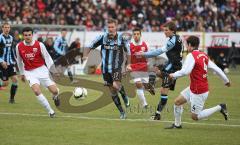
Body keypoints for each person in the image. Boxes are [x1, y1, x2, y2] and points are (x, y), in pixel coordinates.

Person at [166, 36, 230, 129]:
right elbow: (216, 68)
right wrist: (226, 81)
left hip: (199, 90)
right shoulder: (203, 55)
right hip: (195, 87)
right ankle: (177, 125)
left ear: (190, 45)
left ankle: (220, 107)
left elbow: (185, 71)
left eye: (186, 45)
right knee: (177, 102)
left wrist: (173, 75)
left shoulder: (191, 55)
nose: (186, 47)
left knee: (195, 116)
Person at [83, 18, 130, 119]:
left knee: (116, 85)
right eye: (109, 27)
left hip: (116, 67)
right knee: (112, 91)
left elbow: (128, 52)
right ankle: (122, 112)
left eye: (112, 27)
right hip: (105, 69)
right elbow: (90, 45)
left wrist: (128, 64)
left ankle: (124, 95)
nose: (110, 29)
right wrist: (86, 55)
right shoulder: (102, 37)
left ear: (116, 27)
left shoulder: (122, 38)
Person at [136, 21, 183, 120]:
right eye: (164, 30)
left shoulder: (172, 41)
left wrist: (144, 54)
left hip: (173, 68)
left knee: (163, 91)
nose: (164, 32)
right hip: (171, 65)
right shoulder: (176, 38)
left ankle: (157, 115)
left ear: (173, 31)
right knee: (154, 69)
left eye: (166, 30)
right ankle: (151, 86)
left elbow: (159, 51)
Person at [16, 27, 60, 117]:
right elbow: (19, 61)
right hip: (29, 72)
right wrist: (22, 73)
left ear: (32, 35)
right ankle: (50, 111)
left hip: (42, 70)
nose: (27, 37)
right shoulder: (19, 46)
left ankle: (55, 96)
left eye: (29, 35)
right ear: (23, 36)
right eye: (25, 35)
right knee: (36, 91)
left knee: (55, 91)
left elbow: (47, 58)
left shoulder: (39, 45)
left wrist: (53, 71)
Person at [129, 28, 151, 108]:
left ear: (140, 35)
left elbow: (150, 55)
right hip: (134, 67)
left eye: (138, 34)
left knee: (145, 86)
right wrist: (127, 65)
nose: (136, 36)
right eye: (134, 34)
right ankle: (144, 104)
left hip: (144, 68)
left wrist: (149, 64)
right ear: (133, 35)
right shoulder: (129, 45)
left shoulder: (146, 45)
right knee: (138, 84)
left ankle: (147, 88)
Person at [0, 23, 18, 103]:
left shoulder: (11, 37)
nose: (7, 29)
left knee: (15, 80)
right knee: (5, 83)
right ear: (2, 28)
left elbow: (11, 50)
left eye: (8, 27)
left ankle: (11, 99)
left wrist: (15, 60)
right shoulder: (0, 38)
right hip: (2, 63)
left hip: (10, 62)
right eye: (5, 27)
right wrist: (1, 61)